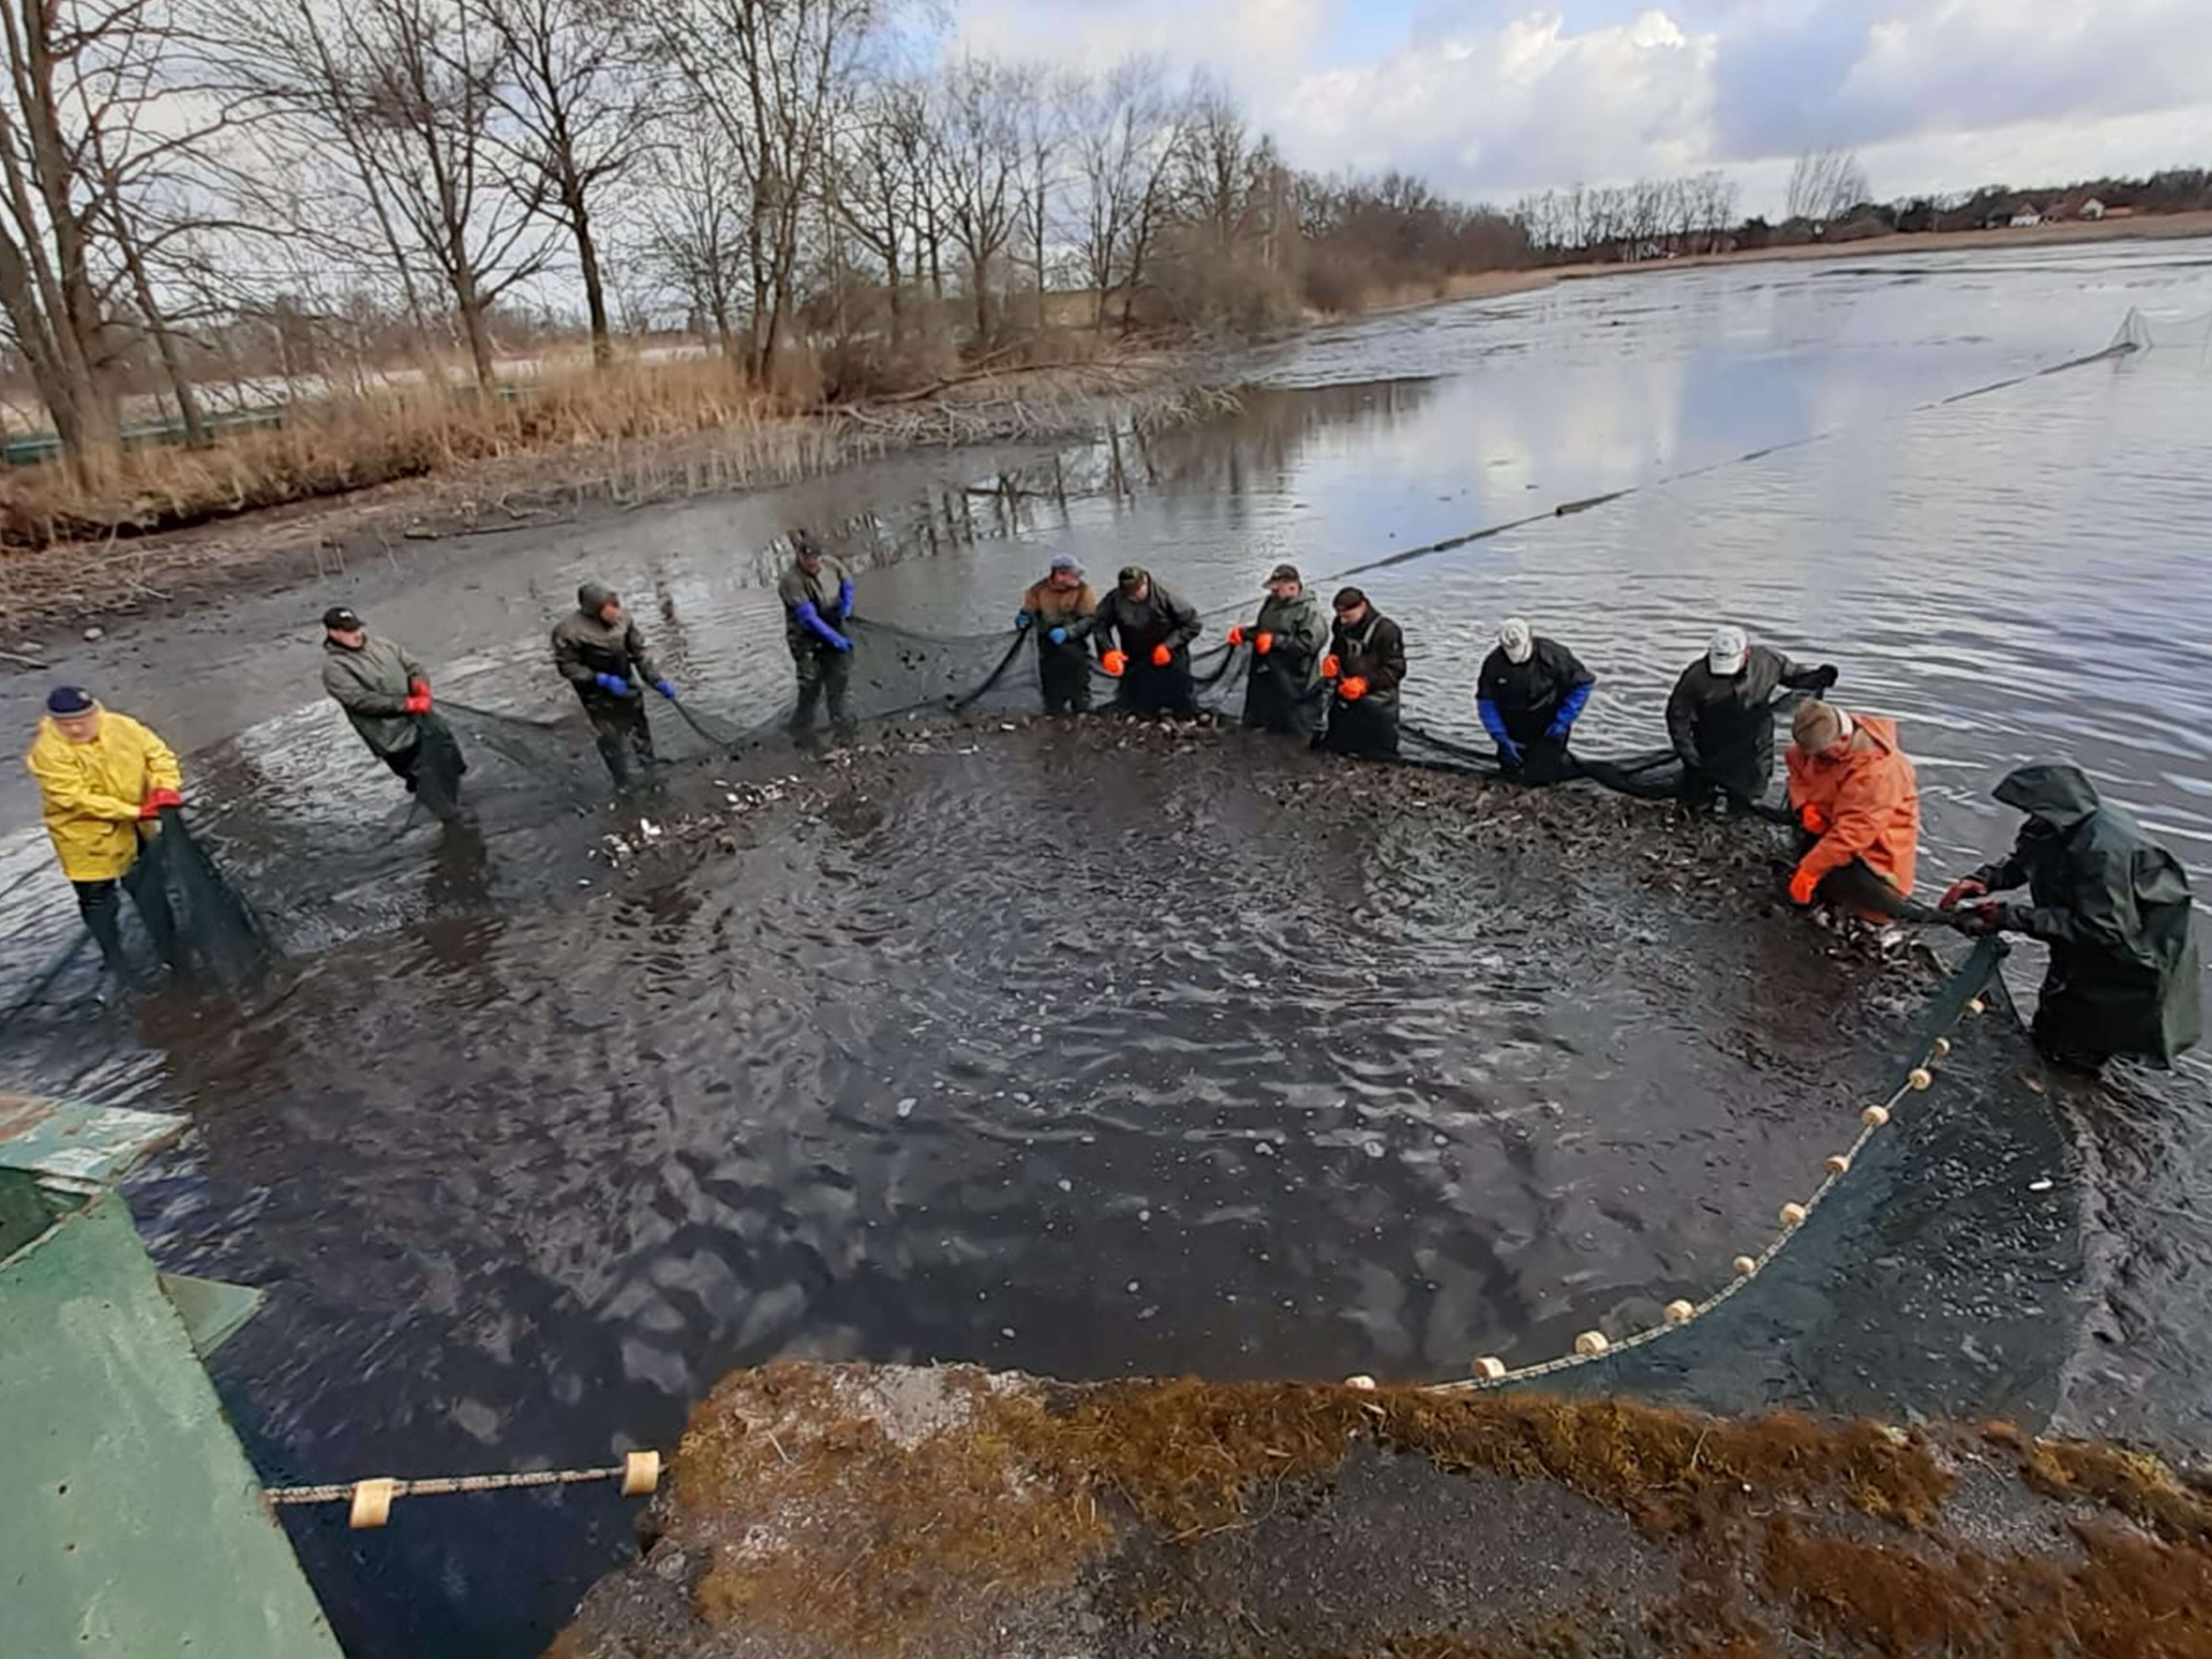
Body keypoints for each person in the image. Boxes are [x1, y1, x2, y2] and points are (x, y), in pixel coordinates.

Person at [1940, 764, 2201, 1070]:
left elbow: (2103, 928)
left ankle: (2070, 1084)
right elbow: (2032, 856)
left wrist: (2007, 917)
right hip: (2085, 949)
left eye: (2032, 810)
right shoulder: (2061, 822)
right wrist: (1986, 880)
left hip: (2129, 962)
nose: (2028, 818)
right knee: (2053, 1022)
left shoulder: (2103, 852)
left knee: (2077, 1043)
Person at [24, 686, 182, 978]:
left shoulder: (124, 727)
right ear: (54, 722)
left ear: (95, 712)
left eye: (82, 720)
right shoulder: (48, 752)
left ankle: (169, 946)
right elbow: (74, 798)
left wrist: (165, 787)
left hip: (136, 829)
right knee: (97, 899)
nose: (75, 728)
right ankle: (113, 954)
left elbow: (159, 755)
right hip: (85, 840)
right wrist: (134, 812)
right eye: (66, 723)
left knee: (148, 887)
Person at [1666, 624, 1837, 809]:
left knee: (1747, 801)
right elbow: (1677, 717)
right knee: (1697, 799)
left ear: (1746, 653)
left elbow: (1795, 677)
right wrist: (1690, 756)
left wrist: (1817, 677)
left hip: (1754, 746)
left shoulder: (1768, 661)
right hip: (1711, 743)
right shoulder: (1695, 677)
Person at [1783, 700, 1919, 918]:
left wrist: (1810, 870)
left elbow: (1854, 833)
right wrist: (1804, 805)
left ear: (1844, 738)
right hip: (1830, 836)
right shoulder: (1816, 743)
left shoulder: (1880, 773)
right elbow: (1796, 767)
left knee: (1874, 913)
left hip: (1875, 855)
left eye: (1823, 753)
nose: (1816, 759)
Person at [320, 606, 465, 804]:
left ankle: (457, 806)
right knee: (424, 779)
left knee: (449, 765)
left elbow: (413, 666)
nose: (355, 634)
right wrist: (406, 704)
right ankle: (448, 815)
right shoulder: (335, 669)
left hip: (426, 721)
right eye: (348, 631)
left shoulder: (382, 645)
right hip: (393, 738)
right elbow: (360, 700)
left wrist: (420, 683)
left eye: (356, 628)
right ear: (333, 633)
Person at [552, 581, 676, 788]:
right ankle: (622, 780)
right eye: (610, 611)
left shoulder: (624, 619)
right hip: (595, 693)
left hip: (625, 681)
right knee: (610, 736)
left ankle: (649, 769)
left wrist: (656, 680)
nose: (617, 614)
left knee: (639, 726)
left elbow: (639, 653)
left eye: (617, 608)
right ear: (594, 611)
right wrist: (599, 679)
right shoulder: (568, 631)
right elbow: (567, 667)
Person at [1478, 617, 1594, 782]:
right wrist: (1500, 736)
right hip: (1513, 728)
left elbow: (1583, 685)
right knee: (1511, 773)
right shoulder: (1494, 664)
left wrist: (1563, 721)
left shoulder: (1554, 656)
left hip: (1549, 725)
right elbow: (1486, 703)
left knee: (1546, 775)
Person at [1078, 566, 1202, 716]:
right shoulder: (1115, 599)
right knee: (1139, 706)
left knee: (1182, 702)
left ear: (1145, 583)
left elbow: (1193, 624)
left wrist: (1169, 646)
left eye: (1137, 591)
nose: (1133, 597)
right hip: (1136, 657)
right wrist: (1109, 651)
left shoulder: (1167, 596)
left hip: (1169, 657)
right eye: (1128, 593)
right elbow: (1099, 624)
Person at [1230, 564, 1330, 740]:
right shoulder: (1271, 602)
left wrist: (1275, 641)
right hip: (1270, 669)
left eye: (1277, 590)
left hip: (1296, 675)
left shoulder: (1310, 611)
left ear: (1293, 587)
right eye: (1272, 590)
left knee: (1293, 723)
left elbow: (1310, 645)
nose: (1273, 593)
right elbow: (1263, 629)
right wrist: (1245, 633)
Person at [777, 529, 856, 744]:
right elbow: (808, 618)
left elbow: (847, 581)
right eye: (807, 559)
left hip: (833, 623)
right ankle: (801, 727)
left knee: (839, 676)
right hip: (805, 639)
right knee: (810, 683)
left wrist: (847, 603)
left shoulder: (831, 564)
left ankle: (839, 723)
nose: (812, 563)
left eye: (815, 558)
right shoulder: (791, 581)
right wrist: (834, 639)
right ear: (800, 557)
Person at [1319, 587, 1406, 758]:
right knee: (1335, 745)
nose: (1343, 621)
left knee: (1379, 755)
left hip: (1378, 700)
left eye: (1348, 616)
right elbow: (1337, 648)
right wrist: (1332, 660)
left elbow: (1396, 670)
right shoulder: (1340, 624)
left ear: (1363, 606)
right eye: (1340, 615)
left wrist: (1365, 684)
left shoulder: (1387, 631)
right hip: (1346, 692)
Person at [1017, 555, 1098, 716]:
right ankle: (1054, 711)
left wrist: (1069, 632)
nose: (1079, 577)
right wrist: (1023, 619)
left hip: (1074, 643)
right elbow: (1028, 613)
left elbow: (1090, 620)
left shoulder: (1084, 591)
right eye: (1074, 575)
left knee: (1079, 683)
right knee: (1052, 687)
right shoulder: (1037, 591)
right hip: (1047, 644)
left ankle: (1081, 706)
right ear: (1060, 575)